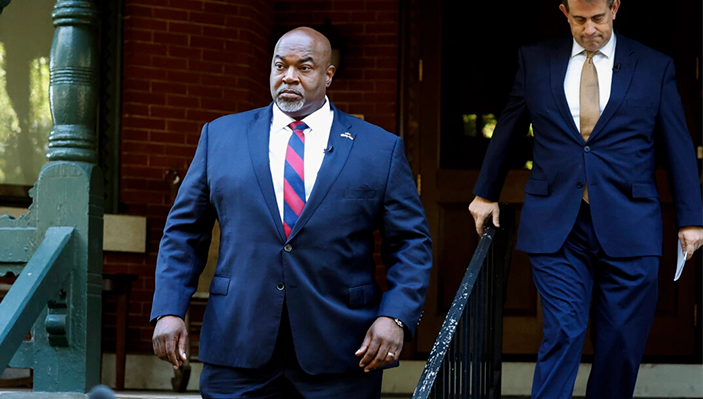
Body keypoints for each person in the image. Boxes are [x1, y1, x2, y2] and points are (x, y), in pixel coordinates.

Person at [150, 27, 432, 398]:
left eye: (304, 67)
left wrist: (395, 316)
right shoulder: (219, 137)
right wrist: (169, 308)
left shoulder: (379, 149)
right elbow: (183, 233)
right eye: (280, 65)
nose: (289, 76)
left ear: (328, 75)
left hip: (341, 349)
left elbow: (411, 244)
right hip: (238, 343)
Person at [468, 1, 703, 398]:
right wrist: (485, 193)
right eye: (579, 19)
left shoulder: (653, 65)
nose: (589, 29)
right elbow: (508, 125)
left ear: (615, 8)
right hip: (557, 221)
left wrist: (690, 218)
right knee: (564, 329)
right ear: (564, 12)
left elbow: (677, 142)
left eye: (598, 18)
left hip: (631, 222)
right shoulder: (535, 60)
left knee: (622, 343)